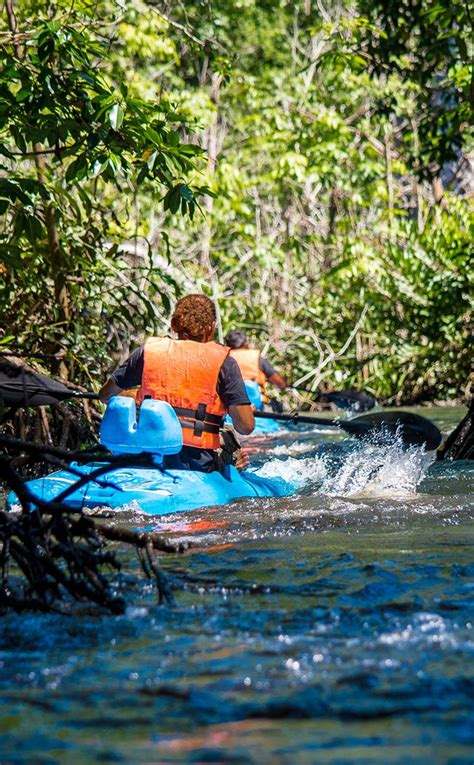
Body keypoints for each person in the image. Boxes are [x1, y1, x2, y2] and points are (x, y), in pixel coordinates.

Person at [99, 295, 254, 473]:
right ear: (211, 328)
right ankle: (234, 467)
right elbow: (246, 426)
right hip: (196, 462)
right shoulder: (224, 362)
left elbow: (104, 395)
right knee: (227, 434)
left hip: (141, 454)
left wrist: (134, 394)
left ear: (173, 324)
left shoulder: (148, 352)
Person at [224, 329, 288, 404]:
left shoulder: (224, 359)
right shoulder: (257, 359)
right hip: (256, 407)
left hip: (231, 406)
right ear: (245, 343)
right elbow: (280, 383)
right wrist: (284, 385)